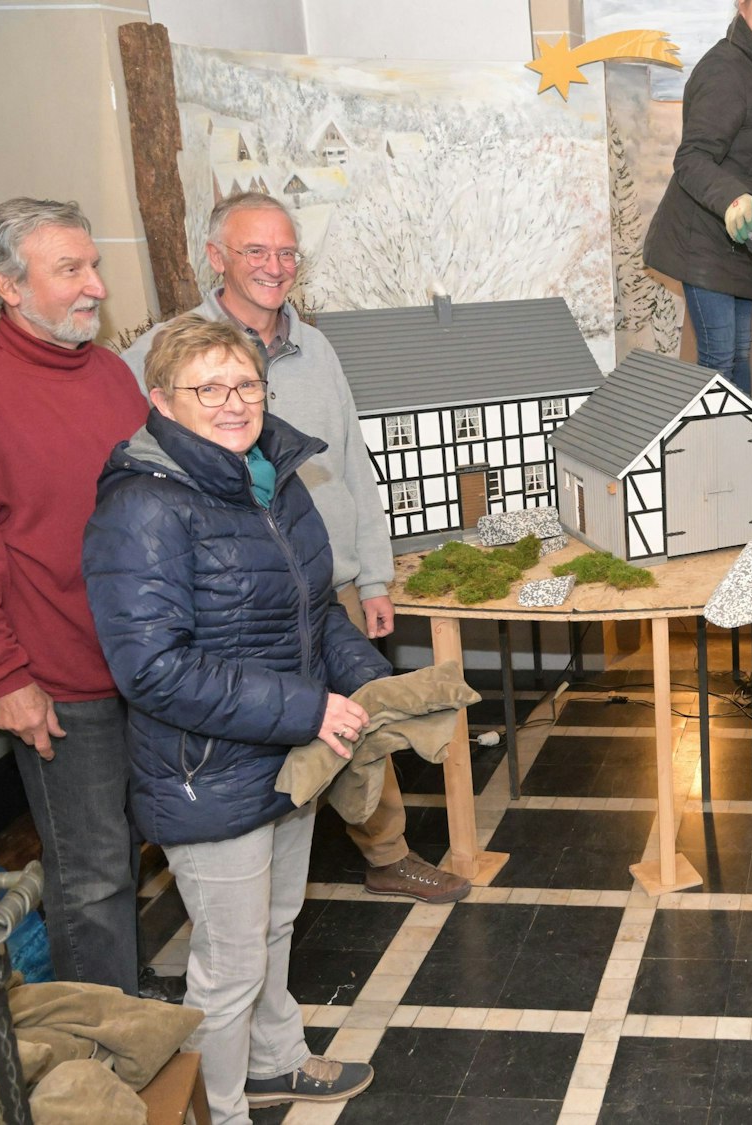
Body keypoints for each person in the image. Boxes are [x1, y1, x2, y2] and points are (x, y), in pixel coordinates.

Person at [85, 315, 387, 1122]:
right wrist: (309, 708)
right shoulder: (142, 506)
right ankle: (218, 1110)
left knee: (275, 928)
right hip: (206, 771)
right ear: (161, 401)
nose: (232, 402)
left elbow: (314, 611)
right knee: (227, 964)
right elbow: (153, 668)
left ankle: (276, 1060)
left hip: (288, 752)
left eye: (245, 383)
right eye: (207, 388)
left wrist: (369, 686)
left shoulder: (271, 480)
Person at [125, 191, 466, 905]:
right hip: (232, 597)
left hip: (325, 584)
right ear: (215, 257)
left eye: (286, 253)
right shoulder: (167, 354)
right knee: (257, 730)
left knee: (357, 726)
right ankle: (251, 883)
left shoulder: (317, 349)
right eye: (255, 251)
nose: (274, 267)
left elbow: (353, 464)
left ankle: (388, 853)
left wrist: (373, 577)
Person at [0, 198, 149, 993]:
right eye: (71, 269)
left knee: (139, 854)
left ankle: (137, 1009)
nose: (96, 285)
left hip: (144, 664)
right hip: (57, 684)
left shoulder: (114, 374)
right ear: (8, 287)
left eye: (93, 265)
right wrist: (2, 677)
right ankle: (104, 1051)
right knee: (92, 877)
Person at [642, 0, 752, 395]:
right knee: (718, 358)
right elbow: (692, 158)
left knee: (739, 352)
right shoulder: (725, 69)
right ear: (742, 5)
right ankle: (715, 453)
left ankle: (741, 449)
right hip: (707, 236)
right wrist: (733, 199)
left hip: (742, 238)